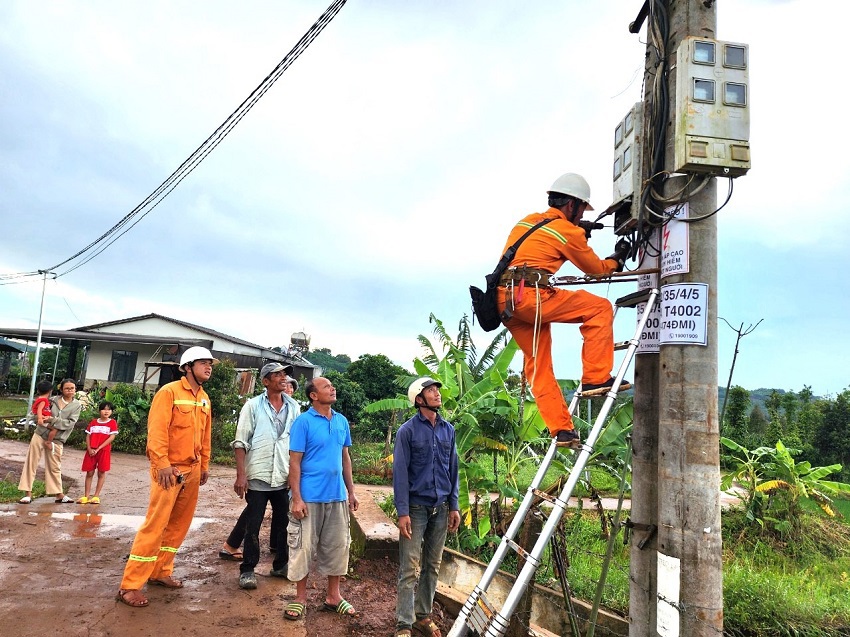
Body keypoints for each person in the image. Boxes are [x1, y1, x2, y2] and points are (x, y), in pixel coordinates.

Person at [496, 172, 632, 448]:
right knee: (599, 308)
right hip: (531, 299)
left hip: (505, 302)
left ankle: (561, 430)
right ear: (572, 205)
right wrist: (616, 260)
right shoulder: (566, 231)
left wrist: (580, 230)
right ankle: (596, 378)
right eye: (581, 208)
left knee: (538, 365)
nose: (581, 213)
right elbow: (595, 269)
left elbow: (540, 246)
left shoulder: (526, 222)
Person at [115, 346, 216, 608]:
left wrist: (204, 465)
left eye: (210, 364)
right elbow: (157, 431)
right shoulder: (169, 393)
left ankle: (161, 571)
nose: (209, 367)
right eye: (203, 363)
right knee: (155, 525)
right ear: (187, 366)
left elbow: (205, 437)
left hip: (192, 471)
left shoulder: (204, 398)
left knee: (178, 525)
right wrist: (161, 464)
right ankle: (131, 585)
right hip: (169, 471)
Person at [284, 376, 359, 621]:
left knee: (337, 546)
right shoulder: (303, 422)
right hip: (309, 497)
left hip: (336, 496)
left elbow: (345, 458)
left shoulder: (341, 421)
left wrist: (351, 491)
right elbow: (294, 462)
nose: (332, 388)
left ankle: (333, 596)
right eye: (326, 386)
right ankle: (300, 598)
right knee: (303, 547)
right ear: (313, 395)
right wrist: (297, 498)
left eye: (332, 386)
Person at [221, 362, 299, 590]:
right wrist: (241, 475)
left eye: (285, 374)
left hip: (283, 475)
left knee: (284, 523)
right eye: (278, 375)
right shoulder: (253, 406)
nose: (284, 378)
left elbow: (296, 443)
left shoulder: (294, 407)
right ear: (266, 381)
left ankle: (280, 565)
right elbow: (241, 441)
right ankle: (247, 570)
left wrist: (295, 475)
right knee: (252, 525)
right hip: (258, 475)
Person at [393, 378, 461, 637]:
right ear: (419, 399)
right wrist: (403, 513)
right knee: (409, 567)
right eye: (431, 391)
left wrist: (453, 505)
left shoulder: (448, 430)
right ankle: (403, 623)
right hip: (416, 508)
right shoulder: (407, 432)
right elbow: (399, 474)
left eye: (437, 390)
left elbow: (453, 470)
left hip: (441, 508)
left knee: (432, 565)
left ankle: (423, 615)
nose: (437, 394)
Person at [18, 378, 82, 504]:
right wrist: (40, 418)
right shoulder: (52, 400)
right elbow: (34, 414)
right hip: (40, 434)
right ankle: (27, 493)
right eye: (67, 388)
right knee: (31, 462)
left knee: (55, 466)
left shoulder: (77, 405)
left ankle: (59, 494)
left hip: (57, 439)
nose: (70, 390)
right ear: (61, 389)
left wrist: (52, 420)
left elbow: (70, 423)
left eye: (72, 388)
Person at [77, 400, 119, 504]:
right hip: (91, 450)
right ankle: (86, 496)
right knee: (89, 472)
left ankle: (96, 496)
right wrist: (89, 448)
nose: (106, 411)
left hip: (103, 451)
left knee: (101, 472)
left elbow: (111, 437)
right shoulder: (93, 422)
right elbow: (88, 436)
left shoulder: (112, 423)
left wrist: (99, 448)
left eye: (109, 409)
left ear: (112, 412)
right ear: (99, 411)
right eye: (104, 409)